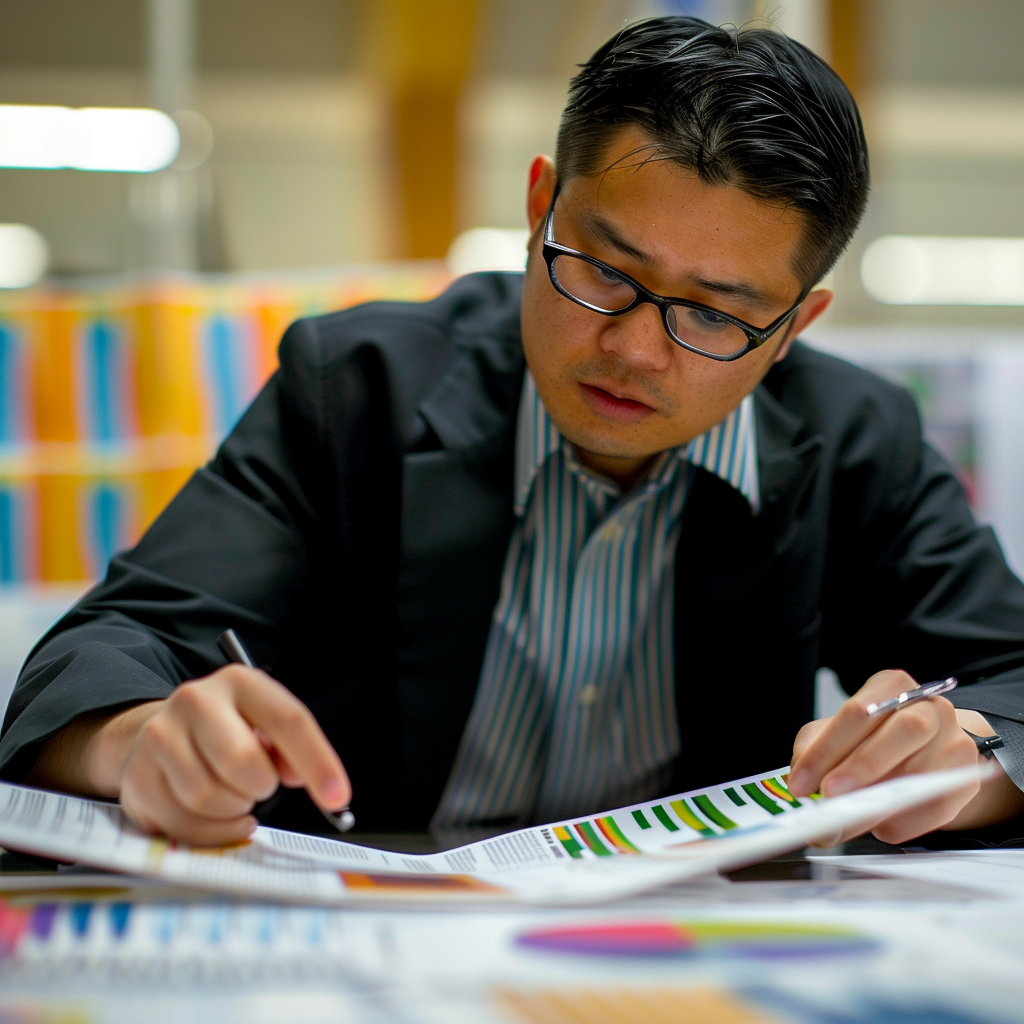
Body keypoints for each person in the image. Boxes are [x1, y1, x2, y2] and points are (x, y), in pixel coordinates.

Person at [3, 17, 1023, 847]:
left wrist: (963, 759)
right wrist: (140, 742)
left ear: (793, 326)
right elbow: (106, 651)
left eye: (713, 313)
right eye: (603, 271)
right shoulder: (357, 389)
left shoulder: (853, 440)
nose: (633, 349)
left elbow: (1010, 683)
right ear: (539, 203)